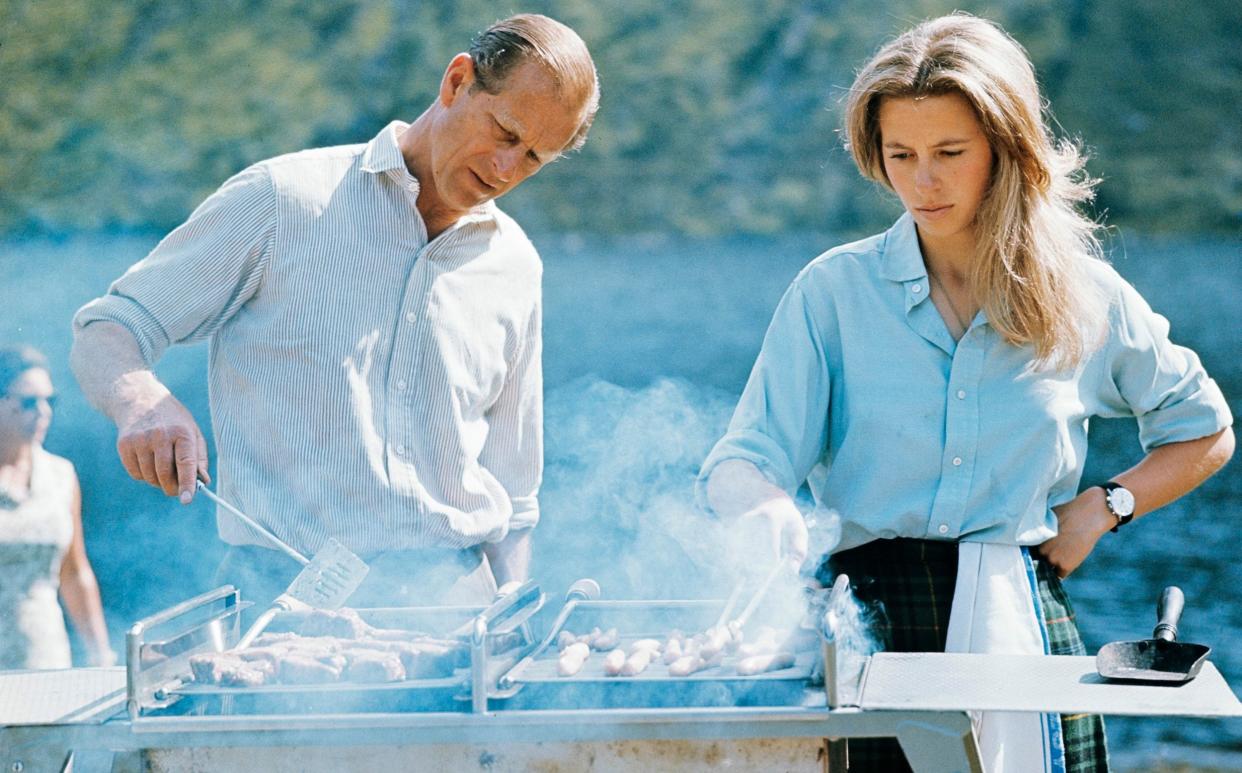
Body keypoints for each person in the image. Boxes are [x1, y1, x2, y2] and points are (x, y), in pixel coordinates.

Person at [697, 13, 1233, 773]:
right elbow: (742, 458)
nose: (923, 180)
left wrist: (1103, 507)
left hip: (1026, 620)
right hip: (865, 633)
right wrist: (764, 502)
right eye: (901, 154)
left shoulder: (1084, 294)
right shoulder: (832, 293)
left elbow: (1205, 432)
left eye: (950, 152)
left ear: (1004, 151)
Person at [71, 14, 599, 608]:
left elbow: (514, 492)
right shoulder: (282, 200)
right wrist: (140, 399)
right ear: (457, 82)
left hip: (454, 606)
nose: (506, 171)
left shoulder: (515, 265)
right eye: (505, 132)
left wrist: (507, 618)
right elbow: (109, 327)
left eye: (533, 158)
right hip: (283, 599)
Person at [0, 346, 113, 669]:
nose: (44, 412)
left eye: (50, 401)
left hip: (43, 654)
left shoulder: (61, 475)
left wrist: (99, 654)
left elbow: (74, 571)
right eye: (28, 402)